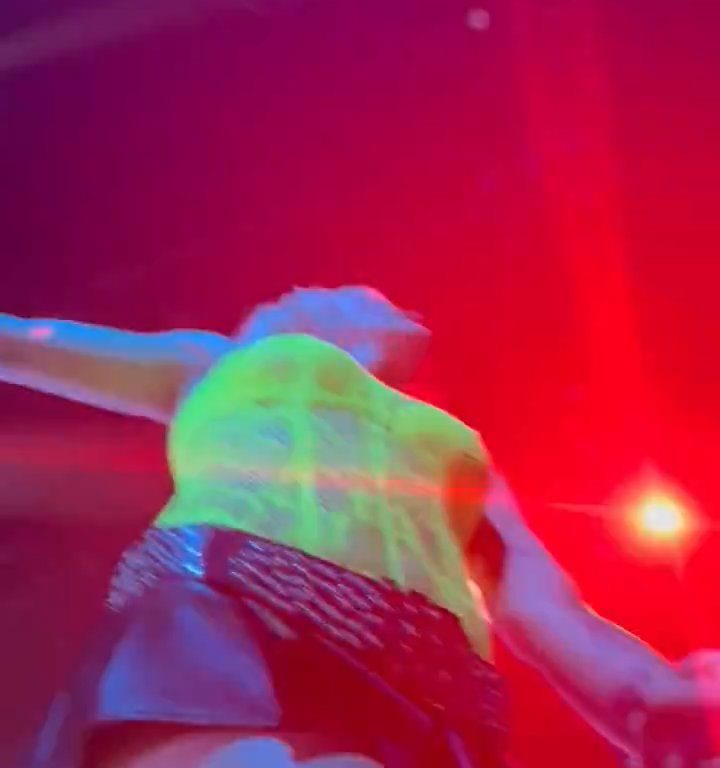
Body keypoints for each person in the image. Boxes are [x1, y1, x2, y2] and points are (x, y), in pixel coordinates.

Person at [0, 285, 718, 768]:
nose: (307, 289)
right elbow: (25, 343)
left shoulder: (459, 450)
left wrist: (654, 697)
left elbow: (547, 610)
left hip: (429, 677)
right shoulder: (217, 361)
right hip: (242, 598)